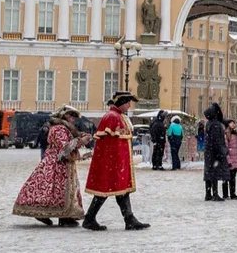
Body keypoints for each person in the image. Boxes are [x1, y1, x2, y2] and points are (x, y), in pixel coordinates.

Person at [13, 105, 92, 227]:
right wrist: (81, 141)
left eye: (75, 117)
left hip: (62, 163)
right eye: (72, 116)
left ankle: (64, 215)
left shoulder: (64, 128)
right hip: (57, 164)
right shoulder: (59, 129)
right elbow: (65, 147)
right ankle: (58, 215)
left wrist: (81, 137)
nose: (74, 119)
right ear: (65, 115)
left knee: (57, 190)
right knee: (54, 189)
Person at [83, 91, 150, 231]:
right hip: (113, 163)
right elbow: (108, 143)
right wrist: (114, 162)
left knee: (121, 191)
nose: (129, 105)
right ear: (121, 103)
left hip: (117, 162)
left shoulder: (117, 116)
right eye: (127, 103)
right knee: (106, 191)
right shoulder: (113, 117)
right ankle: (90, 218)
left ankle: (129, 218)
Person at [203, 103, 230, 202]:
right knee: (214, 173)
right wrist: (222, 151)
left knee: (209, 172)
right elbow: (217, 140)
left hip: (209, 152)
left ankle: (208, 193)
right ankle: (215, 193)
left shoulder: (209, 123)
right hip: (215, 152)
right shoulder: (216, 124)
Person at [225, 119, 237, 199]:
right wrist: (228, 159)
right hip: (230, 159)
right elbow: (225, 148)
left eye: (234, 123)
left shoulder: (236, 133)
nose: (233, 124)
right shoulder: (226, 134)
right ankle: (226, 194)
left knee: (233, 177)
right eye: (231, 123)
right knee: (227, 177)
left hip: (236, 159)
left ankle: (233, 193)